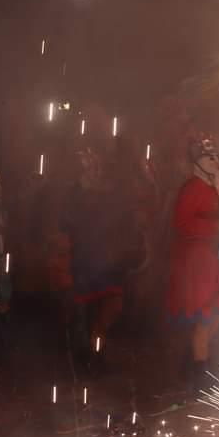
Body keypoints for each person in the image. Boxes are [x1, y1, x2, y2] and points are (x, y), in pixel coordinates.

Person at [165, 136, 219, 394]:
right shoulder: (193, 188)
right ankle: (199, 379)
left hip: (207, 258)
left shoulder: (211, 188)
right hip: (194, 259)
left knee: (216, 316)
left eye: (216, 157)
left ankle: (192, 364)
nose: (215, 162)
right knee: (206, 318)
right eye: (209, 158)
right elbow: (181, 223)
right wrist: (217, 226)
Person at [63, 147, 129, 372]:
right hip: (84, 259)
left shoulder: (109, 193)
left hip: (105, 260)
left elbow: (117, 219)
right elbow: (67, 224)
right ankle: (86, 357)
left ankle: (95, 349)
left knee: (112, 303)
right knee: (82, 312)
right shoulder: (75, 193)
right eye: (90, 165)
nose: (95, 169)